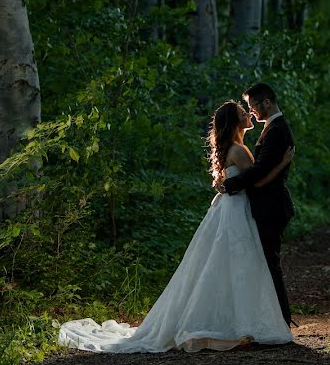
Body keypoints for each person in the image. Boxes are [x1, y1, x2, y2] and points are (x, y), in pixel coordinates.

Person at [58, 100, 294, 352]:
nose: (248, 114)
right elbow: (257, 183)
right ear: (235, 122)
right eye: (242, 113)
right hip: (236, 212)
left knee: (224, 265)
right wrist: (282, 163)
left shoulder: (231, 148)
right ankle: (239, 322)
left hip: (229, 210)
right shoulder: (239, 150)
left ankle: (234, 322)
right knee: (239, 265)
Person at [220, 83, 296, 327]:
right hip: (265, 205)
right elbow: (259, 173)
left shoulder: (276, 130)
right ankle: (275, 319)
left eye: (252, 106)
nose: (251, 111)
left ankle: (281, 320)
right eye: (247, 109)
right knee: (265, 262)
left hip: (272, 206)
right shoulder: (271, 129)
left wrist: (229, 185)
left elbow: (260, 173)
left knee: (269, 263)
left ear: (266, 103)